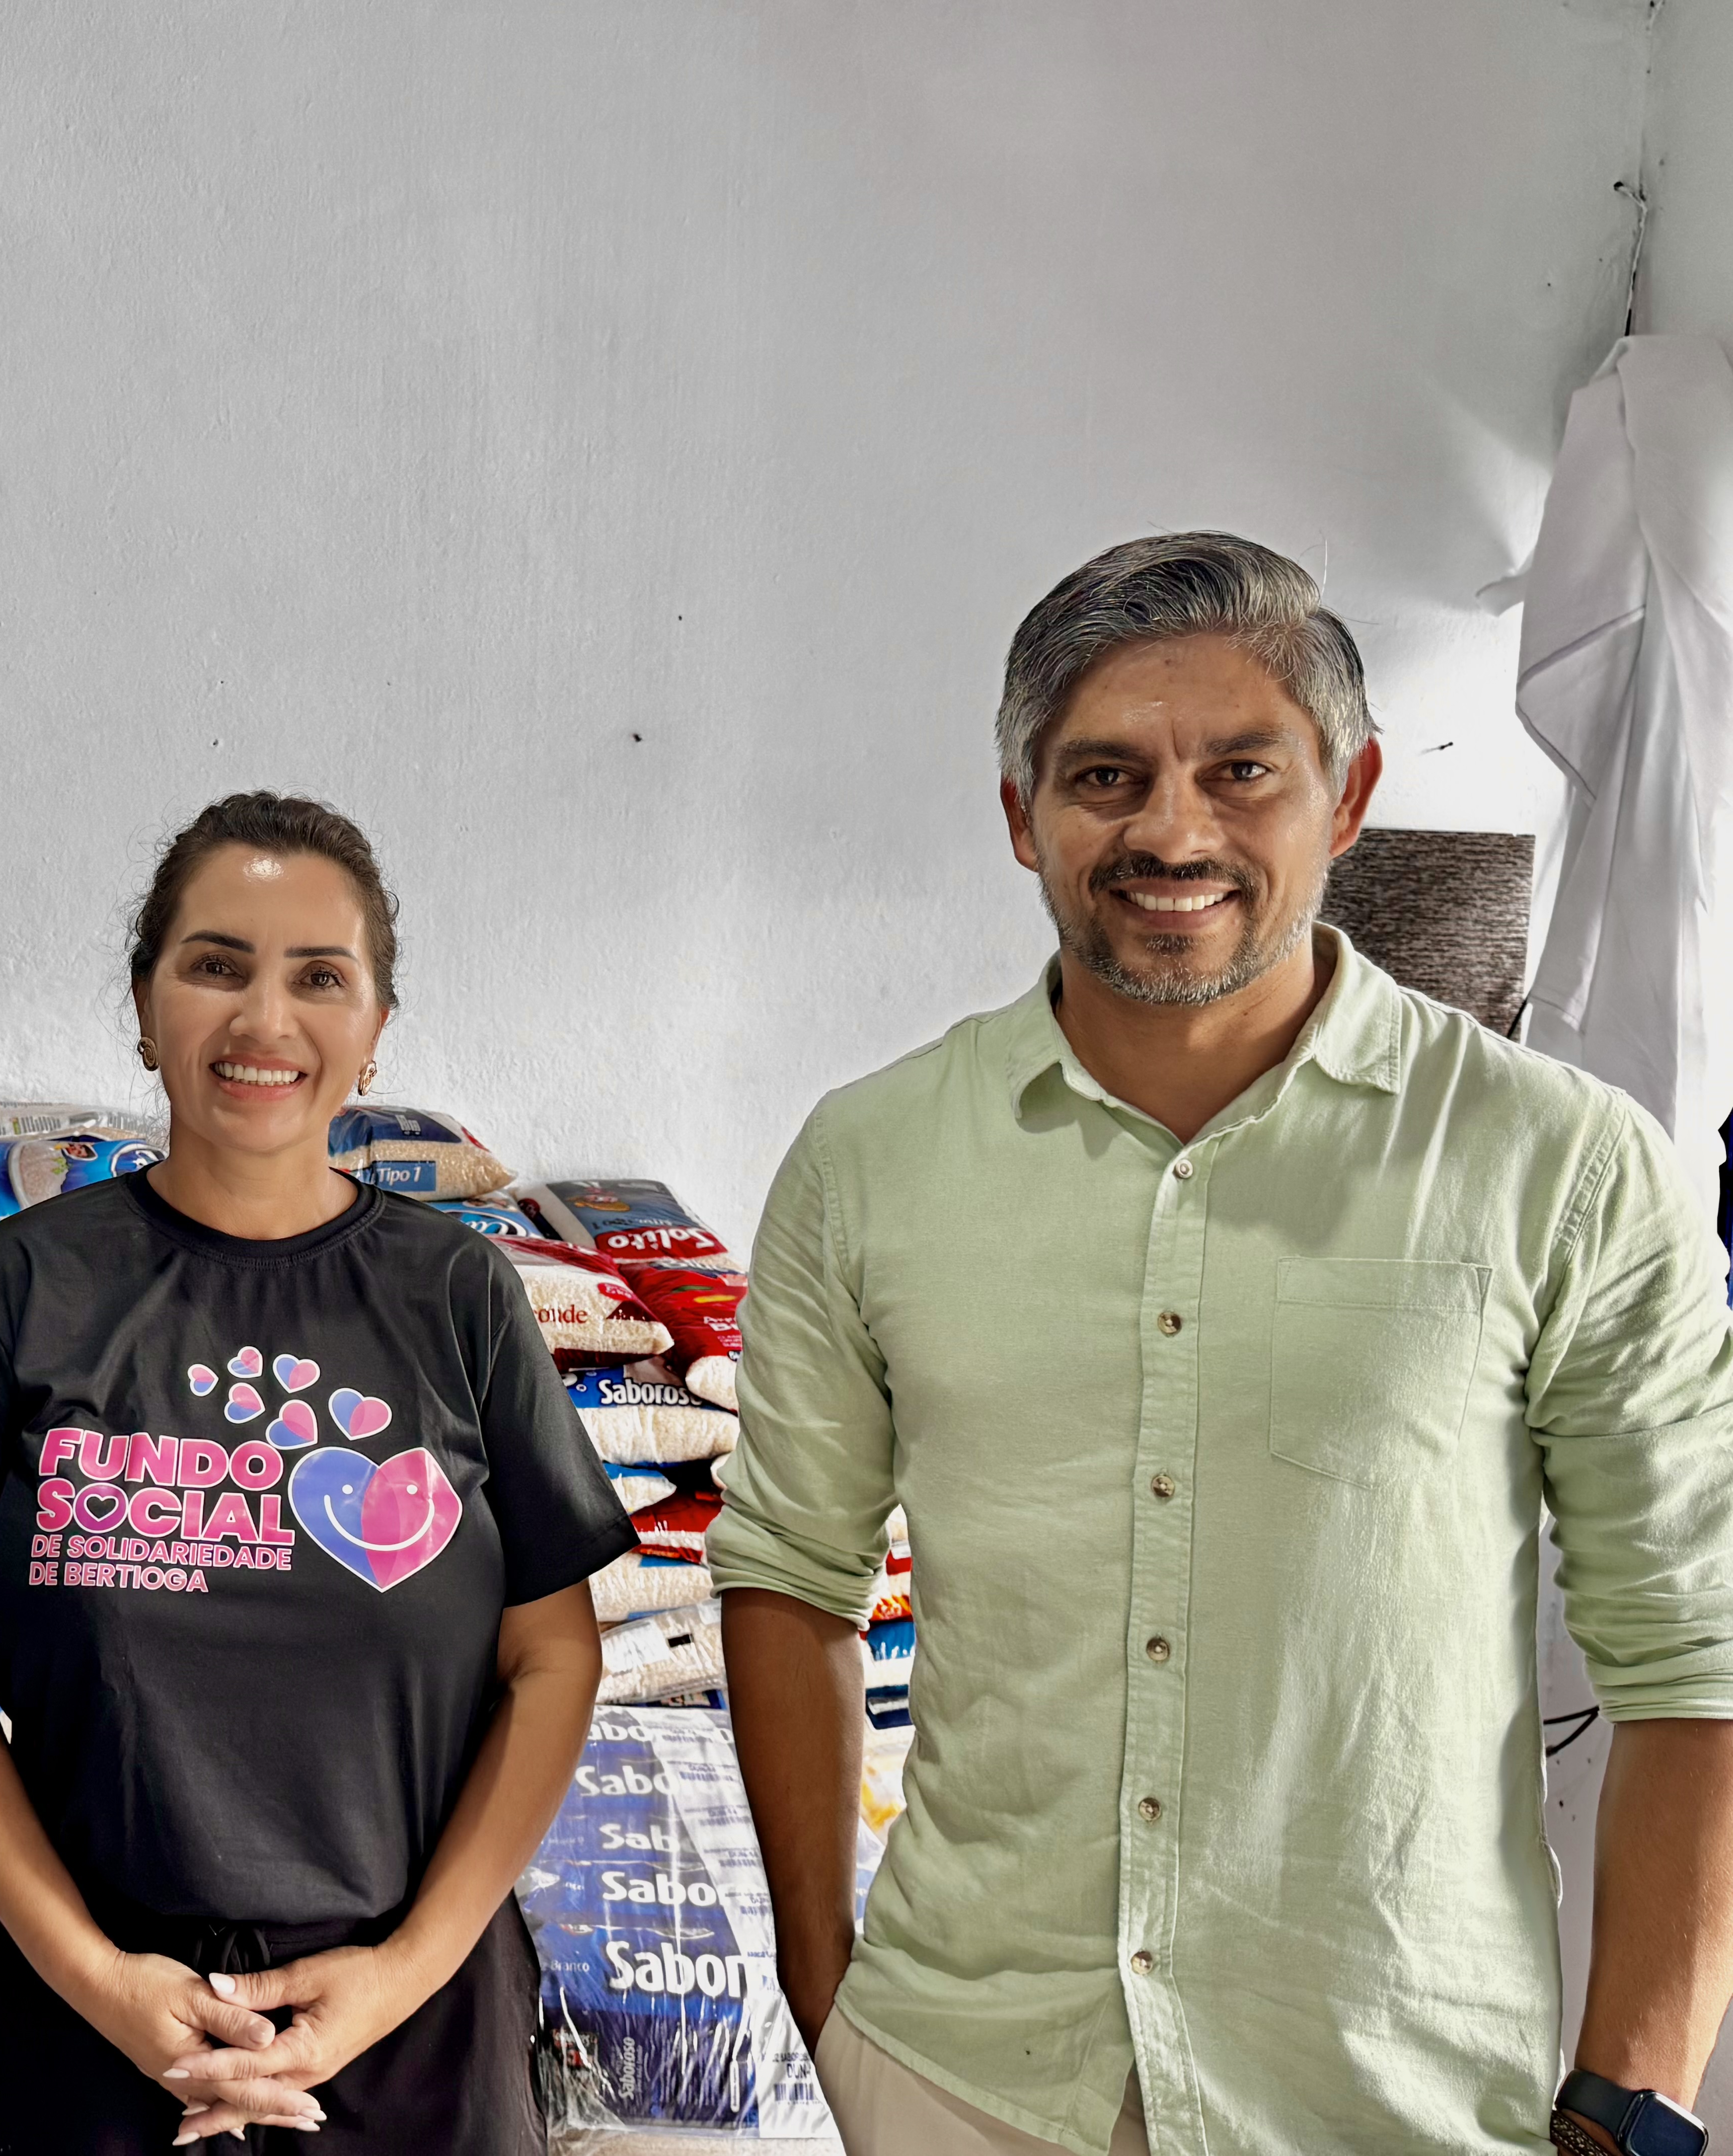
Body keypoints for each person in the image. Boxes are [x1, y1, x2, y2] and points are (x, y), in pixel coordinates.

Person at [710, 532, 1733, 2156]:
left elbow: (1695, 1647)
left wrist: (1639, 2102)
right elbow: (789, 1570)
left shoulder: (1563, 1166)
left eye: (1242, 770)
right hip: (967, 2075)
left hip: (1393, 2098)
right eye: (1105, 776)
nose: (1172, 831)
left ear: (1349, 793)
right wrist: (825, 1990)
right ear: (1022, 813)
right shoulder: (872, 1159)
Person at [0, 791, 633, 2153]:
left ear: (375, 1027)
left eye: (319, 977)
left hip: (414, 2032)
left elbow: (553, 1660)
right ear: (146, 1006)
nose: (266, 1020)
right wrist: (97, 1977)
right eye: (217, 965)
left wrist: (404, 1971)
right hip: (98, 2028)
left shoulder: (458, 1295)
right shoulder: (26, 1287)